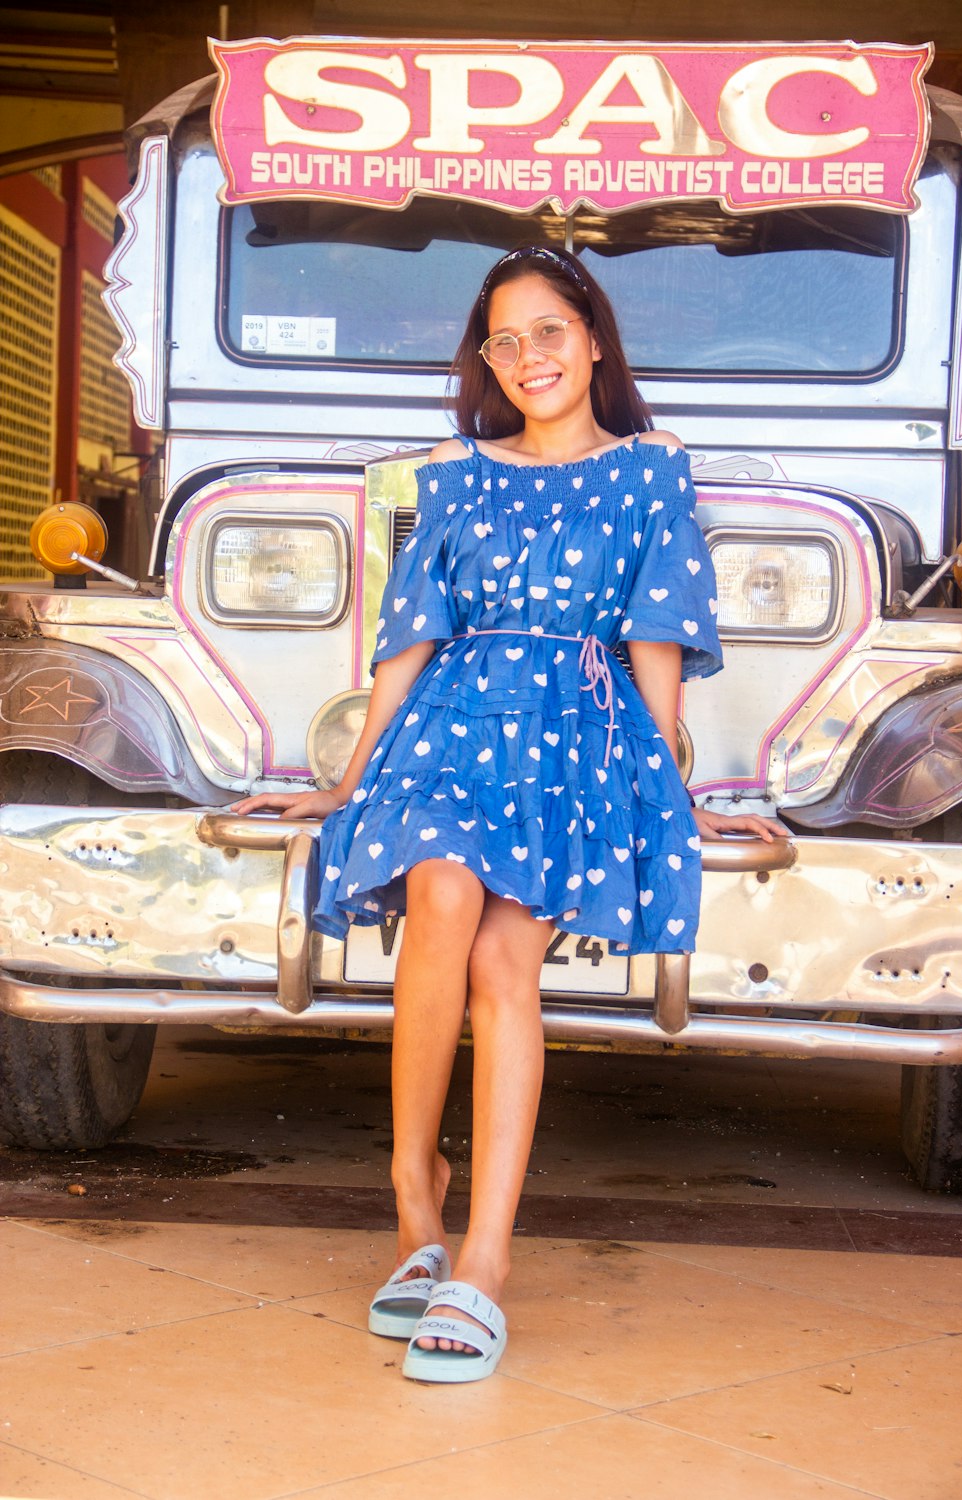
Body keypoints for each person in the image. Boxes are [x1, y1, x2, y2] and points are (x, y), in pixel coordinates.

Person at [232, 245, 784, 1384]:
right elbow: (408, 638)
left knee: (502, 959)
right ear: (484, 359)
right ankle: (410, 1188)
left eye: (547, 330)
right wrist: (345, 781)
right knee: (438, 893)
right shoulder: (456, 473)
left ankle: (482, 1259)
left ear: (591, 337)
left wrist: (676, 790)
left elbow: (657, 641)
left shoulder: (649, 470)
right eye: (503, 339)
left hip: (579, 737)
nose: (527, 356)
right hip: (451, 718)